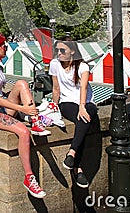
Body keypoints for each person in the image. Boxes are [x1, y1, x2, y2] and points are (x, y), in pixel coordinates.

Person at [0, 31, 50, 198]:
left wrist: (22, 101)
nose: (7, 49)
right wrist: (23, 109)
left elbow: (2, 94)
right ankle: (29, 178)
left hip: (2, 105)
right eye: (4, 46)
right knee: (23, 131)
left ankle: (36, 120)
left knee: (22, 83)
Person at [49, 36, 98, 188]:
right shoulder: (55, 64)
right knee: (83, 120)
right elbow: (56, 89)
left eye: (62, 50)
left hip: (85, 101)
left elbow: (83, 87)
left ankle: (72, 153)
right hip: (67, 102)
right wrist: (54, 107)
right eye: (57, 50)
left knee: (85, 115)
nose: (59, 53)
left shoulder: (82, 66)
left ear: (72, 51)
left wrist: (82, 105)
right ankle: (78, 167)